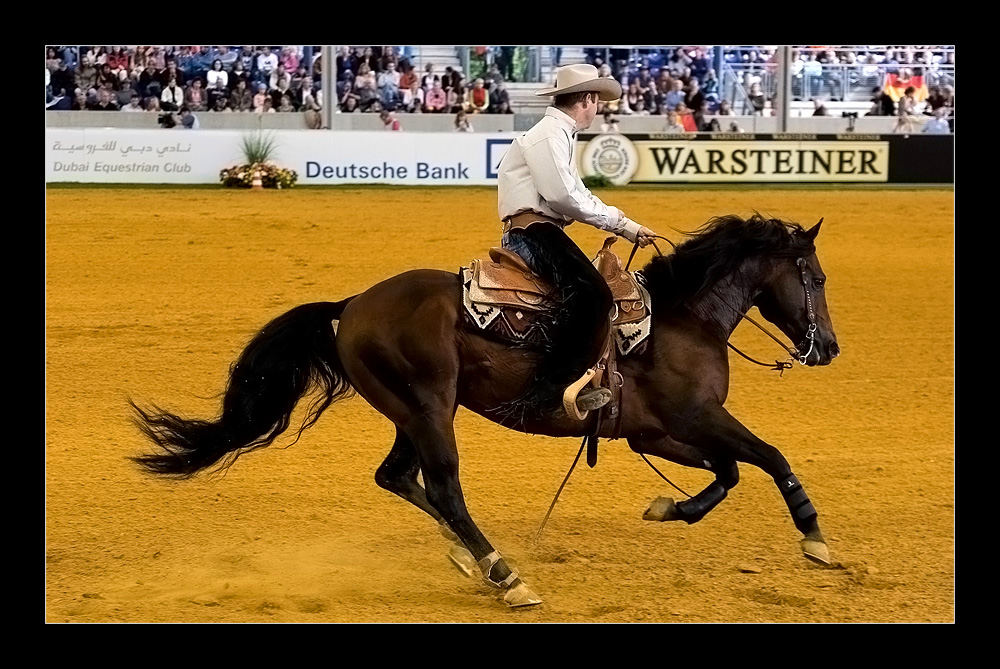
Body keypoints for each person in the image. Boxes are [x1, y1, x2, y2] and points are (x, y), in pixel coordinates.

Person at [495, 64, 659, 418]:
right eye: (596, 101)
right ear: (586, 99)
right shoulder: (550, 136)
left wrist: (627, 226)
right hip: (535, 232)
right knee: (593, 294)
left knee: (585, 291)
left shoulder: (557, 134)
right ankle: (552, 388)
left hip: (537, 229)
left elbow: (572, 193)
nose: (598, 108)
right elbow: (565, 197)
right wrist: (621, 224)